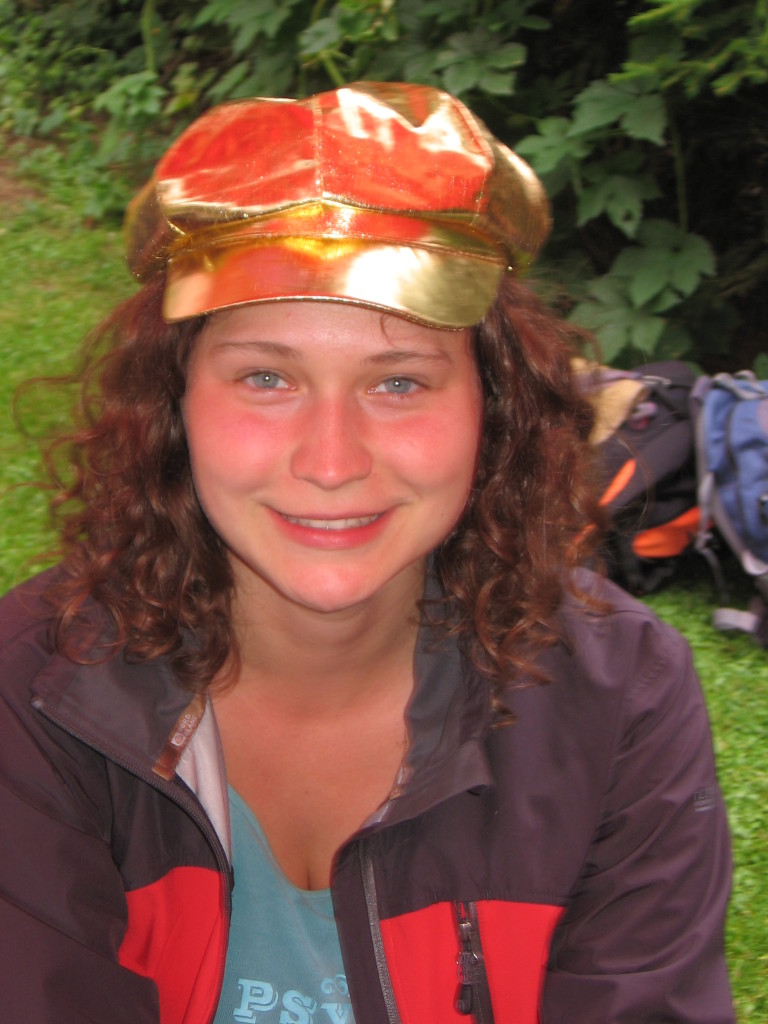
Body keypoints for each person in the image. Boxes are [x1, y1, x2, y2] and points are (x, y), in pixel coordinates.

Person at [0, 82, 734, 1024]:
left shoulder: (618, 693)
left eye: (398, 383)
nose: (332, 461)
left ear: (495, 410)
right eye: (267, 377)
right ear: (173, 406)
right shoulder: (35, 690)